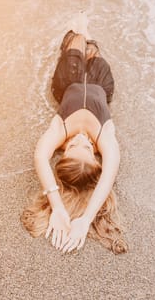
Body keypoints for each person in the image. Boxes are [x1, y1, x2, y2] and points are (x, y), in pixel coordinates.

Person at [21, 30, 128, 254]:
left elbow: (40, 157)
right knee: (94, 51)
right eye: (87, 148)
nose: (80, 139)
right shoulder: (105, 138)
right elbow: (107, 179)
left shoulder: (61, 130)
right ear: (96, 158)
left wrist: (58, 207)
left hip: (68, 81)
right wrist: (86, 218)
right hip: (101, 84)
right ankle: (87, 39)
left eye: (72, 147)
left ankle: (79, 26)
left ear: (63, 151)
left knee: (78, 38)